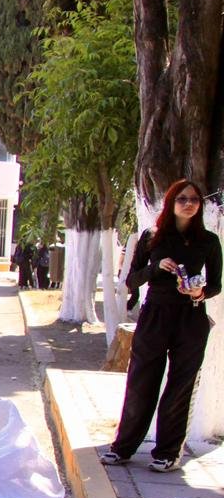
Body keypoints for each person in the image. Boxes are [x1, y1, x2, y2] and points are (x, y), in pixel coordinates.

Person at [100, 179, 221, 472]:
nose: (189, 204)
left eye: (194, 199)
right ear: (170, 202)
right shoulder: (152, 237)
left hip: (190, 316)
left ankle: (167, 453)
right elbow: (131, 280)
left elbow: (215, 284)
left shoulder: (208, 241)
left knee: (181, 385)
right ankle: (123, 447)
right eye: (182, 199)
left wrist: (199, 292)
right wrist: (156, 267)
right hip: (155, 315)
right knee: (142, 381)